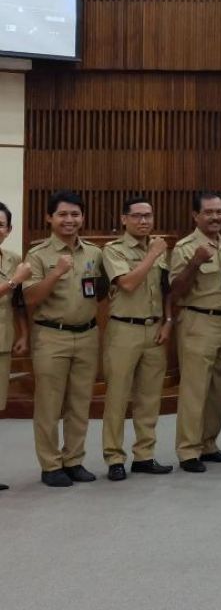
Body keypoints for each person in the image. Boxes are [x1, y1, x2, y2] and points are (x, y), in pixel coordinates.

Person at [22, 190, 105, 487]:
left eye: (75, 214)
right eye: (63, 214)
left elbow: (99, 290)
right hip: (51, 336)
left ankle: (74, 460)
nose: (69, 220)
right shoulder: (38, 253)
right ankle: (50, 465)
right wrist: (56, 272)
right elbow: (30, 298)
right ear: (49, 217)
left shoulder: (94, 253)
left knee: (80, 403)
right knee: (49, 405)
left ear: (82, 217)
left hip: (87, 334)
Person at [100, 196, 173, 481]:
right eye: (137, 216)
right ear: (124, 219)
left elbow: (166, 290)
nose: (144, 221)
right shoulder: (113, 250)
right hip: (124, 329)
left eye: (148, 216)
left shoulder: (157, 247)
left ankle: (144, 456)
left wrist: (168, 321)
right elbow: (128, 284)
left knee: (149, 398)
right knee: (117, 397)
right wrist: (152, 254)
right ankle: (114, 457)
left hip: (154, 329)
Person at [170, 191, 221, 473]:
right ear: (195, 216)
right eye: (209, 212)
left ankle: (208, 444)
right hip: (198, 322)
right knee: (195, 390)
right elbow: (176, 291)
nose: (215, 217)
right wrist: (195, 262)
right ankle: (188, 451)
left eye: (219, 211)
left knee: (218, 390)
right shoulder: (184, 248)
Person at [0, 201, 32, 491]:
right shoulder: (16, 272)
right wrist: (14, 281)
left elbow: (19, 302)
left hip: (3, 342)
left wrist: (23, 334)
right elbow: (13, 286)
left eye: (1, 224)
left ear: (9, 230)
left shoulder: (12, 259)